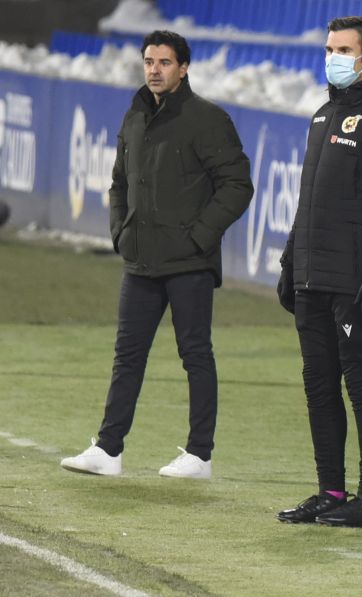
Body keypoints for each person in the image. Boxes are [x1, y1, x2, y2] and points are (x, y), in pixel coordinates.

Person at [60, 30, 254, 479]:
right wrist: (119, 232)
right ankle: (108, 449)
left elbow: (237, 186)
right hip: (140, 259)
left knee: (195, 355)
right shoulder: (135, 116)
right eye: (149, 61)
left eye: (164, 62)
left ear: (183, 68)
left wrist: (197, 238)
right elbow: (119, 183)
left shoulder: (207, 119)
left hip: (188, 262)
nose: (154, 69)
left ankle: (200, 455)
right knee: (127, 355)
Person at [275, 16, 362, 529]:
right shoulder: (322, 115)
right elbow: (309, 201)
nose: (333, 56)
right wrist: (293, 261)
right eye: (329, 48)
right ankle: (331, 491)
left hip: (357, 284)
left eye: (343, 49)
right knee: (318, 388)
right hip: (314, 278)